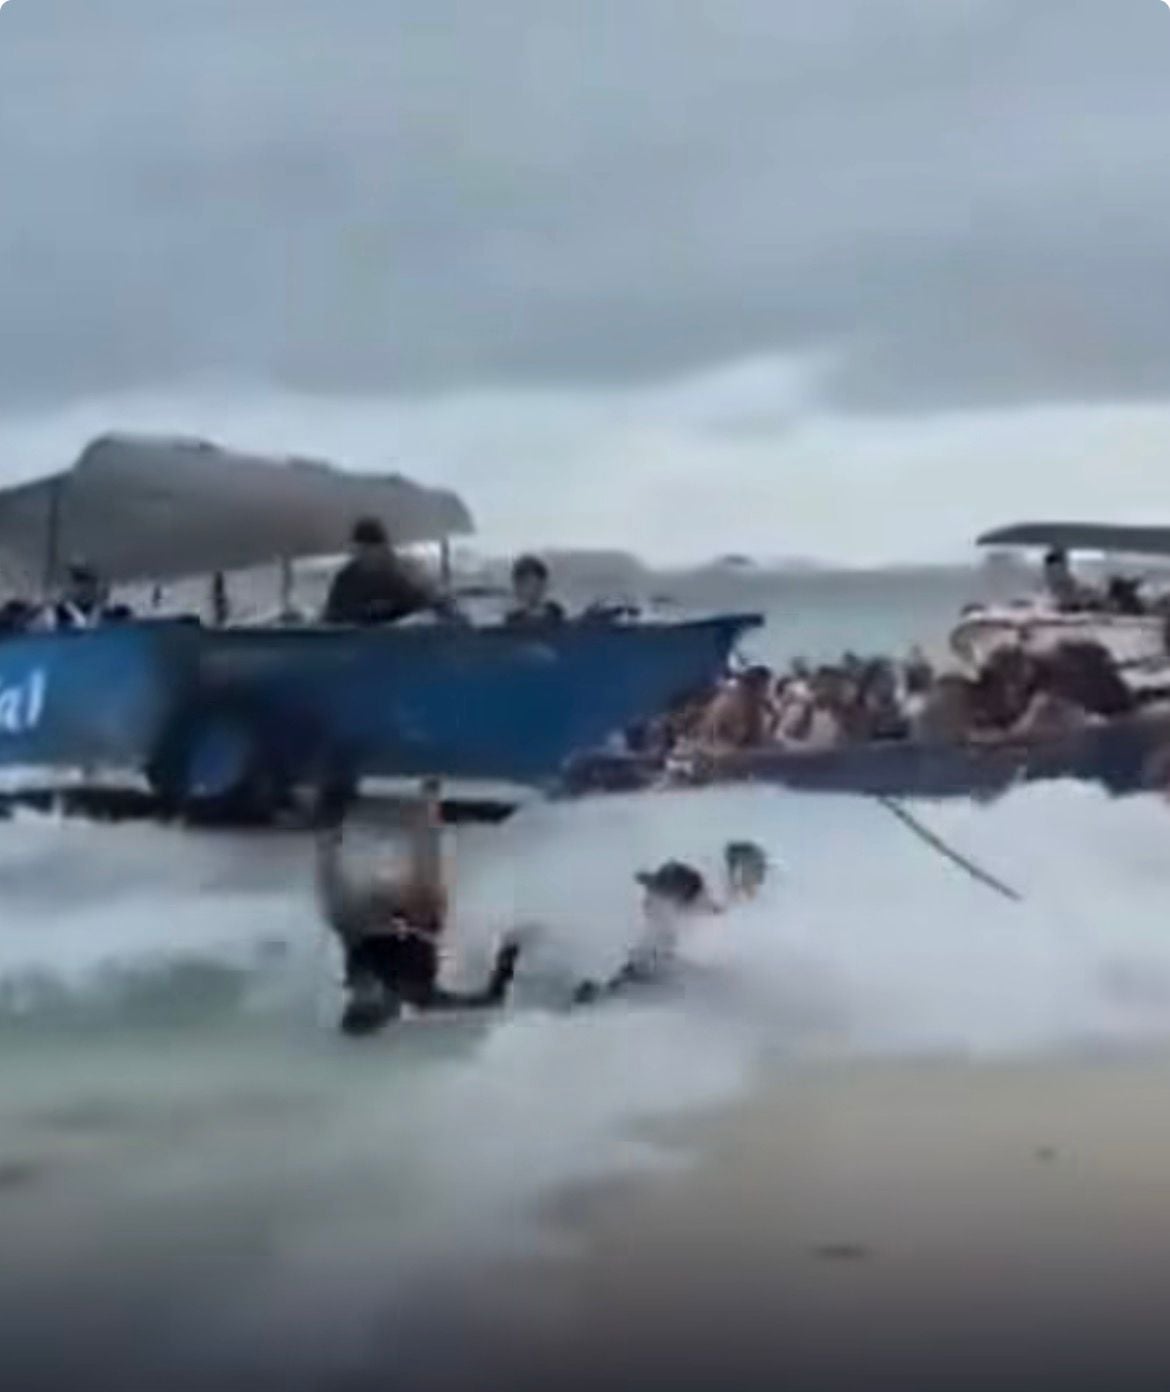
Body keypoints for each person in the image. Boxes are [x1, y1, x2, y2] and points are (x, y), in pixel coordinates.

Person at [316, 782, 523, 1035]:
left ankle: (329, 825)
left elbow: (490, 1000)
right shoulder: (421, 998)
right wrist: (509, 954)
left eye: (358, 1000)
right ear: (387, 1009)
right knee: (423, 916)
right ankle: (428, 806)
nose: (367, 993)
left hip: (372, 916)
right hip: (414, 914)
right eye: (372, 1002)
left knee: (339, 918)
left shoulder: (359, 981)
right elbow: (490, 1000)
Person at [572, 860, 720, 1004]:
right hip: (650, 962)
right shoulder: (663, 916)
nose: (646, 902)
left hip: (654, 966)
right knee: (649, 953)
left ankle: (612, 989)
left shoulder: (668, 916)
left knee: (651, 952)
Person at [323, 517, 459, 627]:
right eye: (360, 551)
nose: (366, 556)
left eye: (370, 550)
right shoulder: (346, 579)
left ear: (384, 548)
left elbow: (429, 604)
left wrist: (391, 607)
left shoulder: (404, 571)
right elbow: (331, 615)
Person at [504, 555, 566, 626]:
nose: (521, 589)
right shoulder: (512, 621)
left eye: (527, 583)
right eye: (519, 584)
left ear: (542, 586)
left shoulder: (556, 614)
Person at [53, 561, 116, 630]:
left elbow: (100, 601)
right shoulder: (67, 603)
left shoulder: (96, 604)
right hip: (76, 615)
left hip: (86, 613)